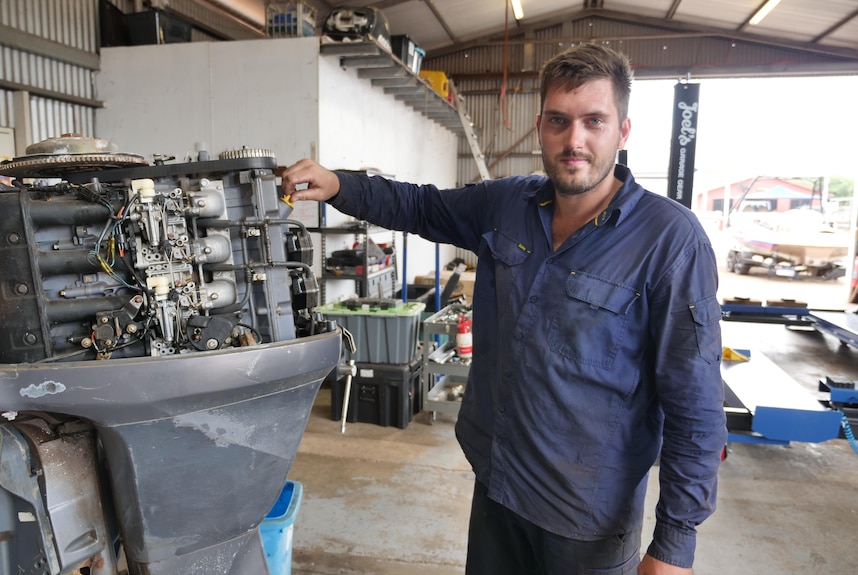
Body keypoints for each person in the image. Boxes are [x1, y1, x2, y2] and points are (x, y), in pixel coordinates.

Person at [283, 43, 726, 575]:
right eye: (559, 121)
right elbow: (420, 205)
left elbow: (695, 406)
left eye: (594, 122)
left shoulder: (670, 241)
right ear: (540, 125)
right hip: (498, 486)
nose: (574, 141)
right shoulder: (507, 205)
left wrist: (674, 544)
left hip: (586, 519)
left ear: (622, 131)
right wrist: (340, 186)